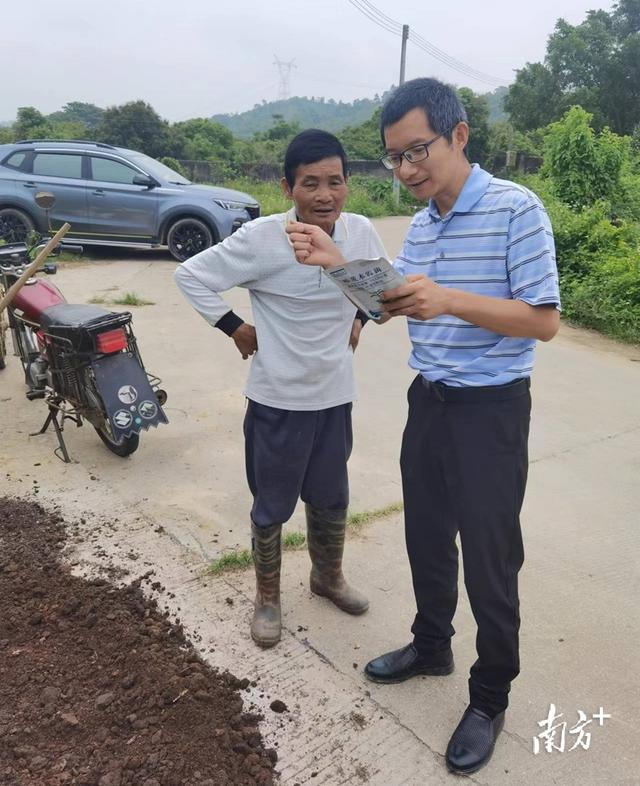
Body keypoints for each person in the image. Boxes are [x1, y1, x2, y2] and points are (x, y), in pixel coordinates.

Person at [286, 78, 560, 775]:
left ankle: (490, 694)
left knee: (493, 562)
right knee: (427, 537)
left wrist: (451, 301)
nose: (406, 169)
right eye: (393, 157)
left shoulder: (514, 210)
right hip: (428, 403)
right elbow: (399, 304)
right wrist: (338, 263)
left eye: (418, 151)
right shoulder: (428, 221)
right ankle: (432, 644)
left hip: (491, 411)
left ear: (459, 135)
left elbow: (543, 321)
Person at [174, 129, 387, 649]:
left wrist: (358, 317)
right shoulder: (262, 239)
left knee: (332, 496)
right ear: (287, 186)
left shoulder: (359, 233)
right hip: (277, 399)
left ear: (347, 185)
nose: (324, 195)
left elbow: (383, 299)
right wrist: (235, 328)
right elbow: (191, 275)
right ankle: (267, 597)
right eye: (310, 183)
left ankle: (327, 577)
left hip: (335, 395)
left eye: (334, 182)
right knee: (272, 504)